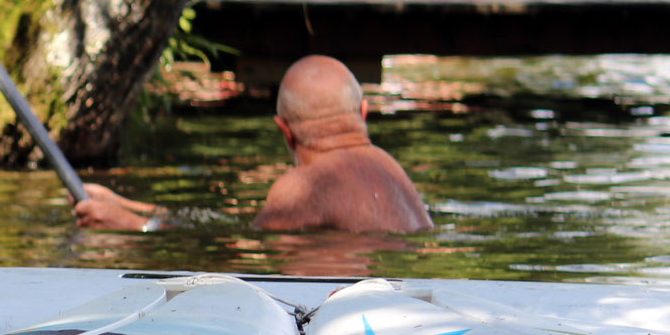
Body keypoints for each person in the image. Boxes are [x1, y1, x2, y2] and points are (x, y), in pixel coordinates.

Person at [74, 55, 432, 235]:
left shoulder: (301, 187)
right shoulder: (390, 167)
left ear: (284, 130)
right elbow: (231, 227)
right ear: (363, 113)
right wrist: (126, 206)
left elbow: (244, 247)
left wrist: (134, 227)